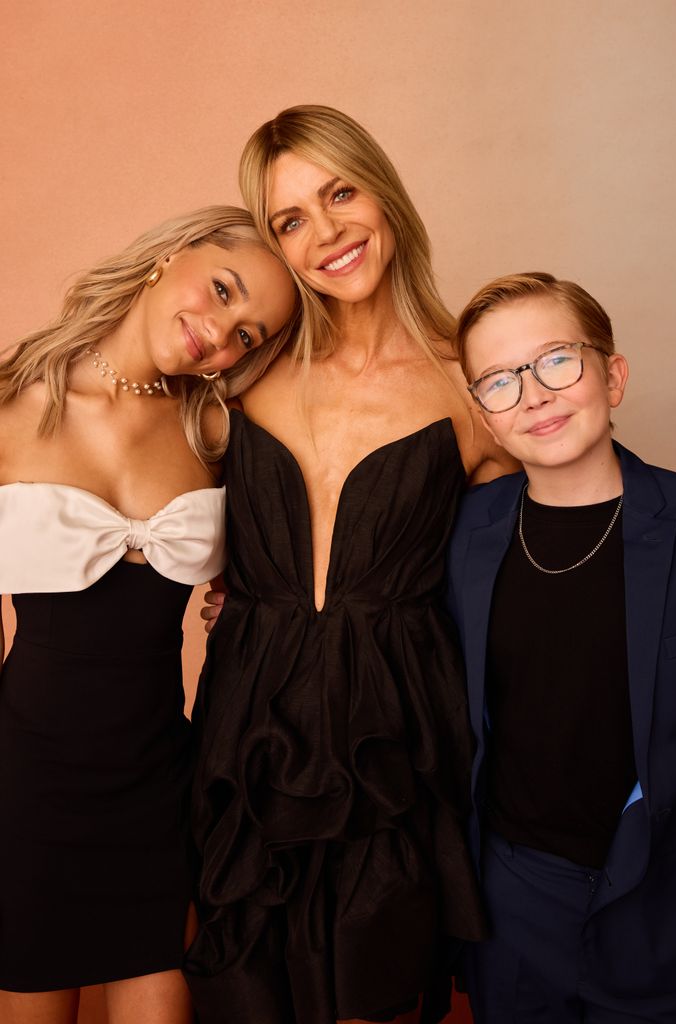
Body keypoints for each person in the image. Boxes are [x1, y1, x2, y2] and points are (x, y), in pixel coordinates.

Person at [185, 105, 518, 1024]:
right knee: (242, 992)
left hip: (395, 744)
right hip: (248, 733)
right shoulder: (242, 374)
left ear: (382, 192)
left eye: (339, 192)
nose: (325, 232)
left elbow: (541, 568)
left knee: (372, 988)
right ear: (275, 246)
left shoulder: (468, 381)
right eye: (290, 219)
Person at [0, 205, 296, 1024]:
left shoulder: (221, 431)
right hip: (26, 781)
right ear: (172, 255)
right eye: (223, 290)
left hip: (160, 783)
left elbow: (288, 560)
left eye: (248, 332)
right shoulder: (7, 406)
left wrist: (241, 599)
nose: (221, 333)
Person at [447, 272, 676, 1023]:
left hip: (662, 894)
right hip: (513, 895)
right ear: (483, 415)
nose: (534, 396)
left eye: (556, 360)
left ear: (611, 376)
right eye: (498, 381)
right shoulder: (459, 535)